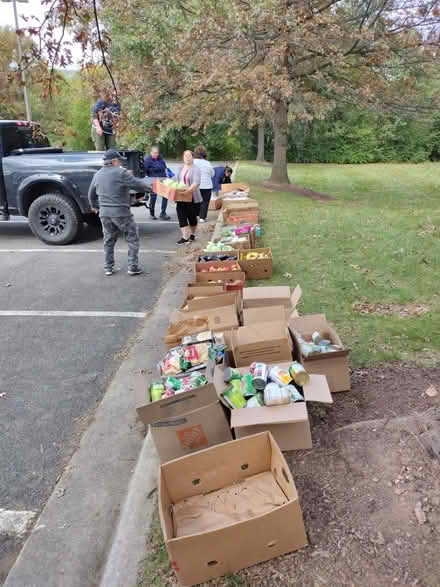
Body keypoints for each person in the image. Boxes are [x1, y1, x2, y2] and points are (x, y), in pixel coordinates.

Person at [88, 149, 147, 276]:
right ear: (114, 161)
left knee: (108, 240)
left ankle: (108, 267)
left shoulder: (97, 174)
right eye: (119, 160)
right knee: (132, 239)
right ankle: (133, 267)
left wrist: (94, 206)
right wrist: (154, 188)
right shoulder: (121, 172)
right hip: (121, 213)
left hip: (104, 214)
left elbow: (91, 194)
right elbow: (138, 185)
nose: (120, 162)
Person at [175, 150, 202, 245]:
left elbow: (196, 182)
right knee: (181, 215)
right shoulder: (180, 168)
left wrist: (188, 191)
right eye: (185, 155)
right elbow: (176, 181)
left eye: (189, 155)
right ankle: (184, 237)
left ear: (192, 157)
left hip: (192, 197)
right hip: (180, 196)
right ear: (183, 157)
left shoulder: (196, 169)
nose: (187, 157)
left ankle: (192, 234)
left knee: (192, 218)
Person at [143, 145, 171, 220]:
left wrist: (167, 175)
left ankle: (163, 213)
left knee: (165, 196)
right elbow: (144, 172)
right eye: (154, 153)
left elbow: (165, 168)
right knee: (153, 197)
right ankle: (152, 214)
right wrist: (147, 180)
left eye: (157, 153)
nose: (156, 154)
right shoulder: (147, 160)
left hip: (163, 179)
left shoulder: (160, 159)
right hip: (153, 180)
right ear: (151, 152)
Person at [193, 145, 214, 222]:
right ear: (205, 154)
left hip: (195, 185)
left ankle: (195, 215)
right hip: (207, 185)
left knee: (195, 201)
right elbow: (212, 174)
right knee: (205, 202)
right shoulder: (208, 163)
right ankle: (202, 217)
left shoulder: (193, 162)